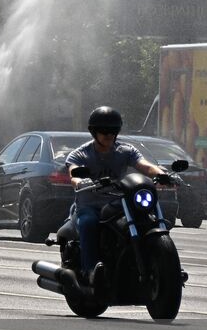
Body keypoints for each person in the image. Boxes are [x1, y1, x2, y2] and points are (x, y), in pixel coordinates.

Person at [64, 106, 175, 292]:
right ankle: (90, 270)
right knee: (89, 223)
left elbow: (145, 166)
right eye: (104, 130)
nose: (109, 135)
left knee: (147, 216)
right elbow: (73, 172)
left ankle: (163, 261)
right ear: (94, 131)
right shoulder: (81, 154)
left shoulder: (125, 150)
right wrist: (79, 181)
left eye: (113, 130)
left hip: (117, 202)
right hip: (90, 205)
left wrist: (162, 174)